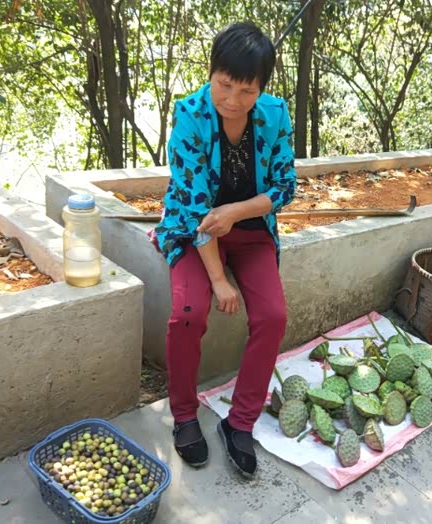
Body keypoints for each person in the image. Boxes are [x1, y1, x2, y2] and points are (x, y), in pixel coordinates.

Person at [152, 21, 296, 478]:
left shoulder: (275, 114)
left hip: (251, 232)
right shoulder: (190, 115)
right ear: (212, 72)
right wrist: (218, 279)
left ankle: (240, 422)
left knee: (272, 316)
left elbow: (285, 186)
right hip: (194, 232)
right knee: (188, 314)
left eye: (247, 90)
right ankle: (184, 414)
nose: (233, 100)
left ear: (262, 88)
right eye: (224, 84)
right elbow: (196, 207)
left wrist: (237, 210)